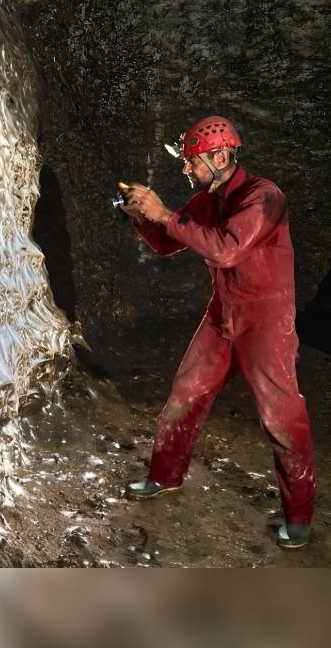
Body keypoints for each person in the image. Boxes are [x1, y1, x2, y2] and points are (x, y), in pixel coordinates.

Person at [116, 115, 315, 549]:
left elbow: (226, 250)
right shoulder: (207, 199)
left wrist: (163, 211)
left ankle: (298, 517)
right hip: (223, 313)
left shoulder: (264, 196)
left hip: (266, 320)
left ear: (220, 156)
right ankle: (164, 476)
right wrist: (142, 217)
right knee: (185, 394)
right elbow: (168, 242)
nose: (186, 170)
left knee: (280, 418)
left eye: (192, 162)